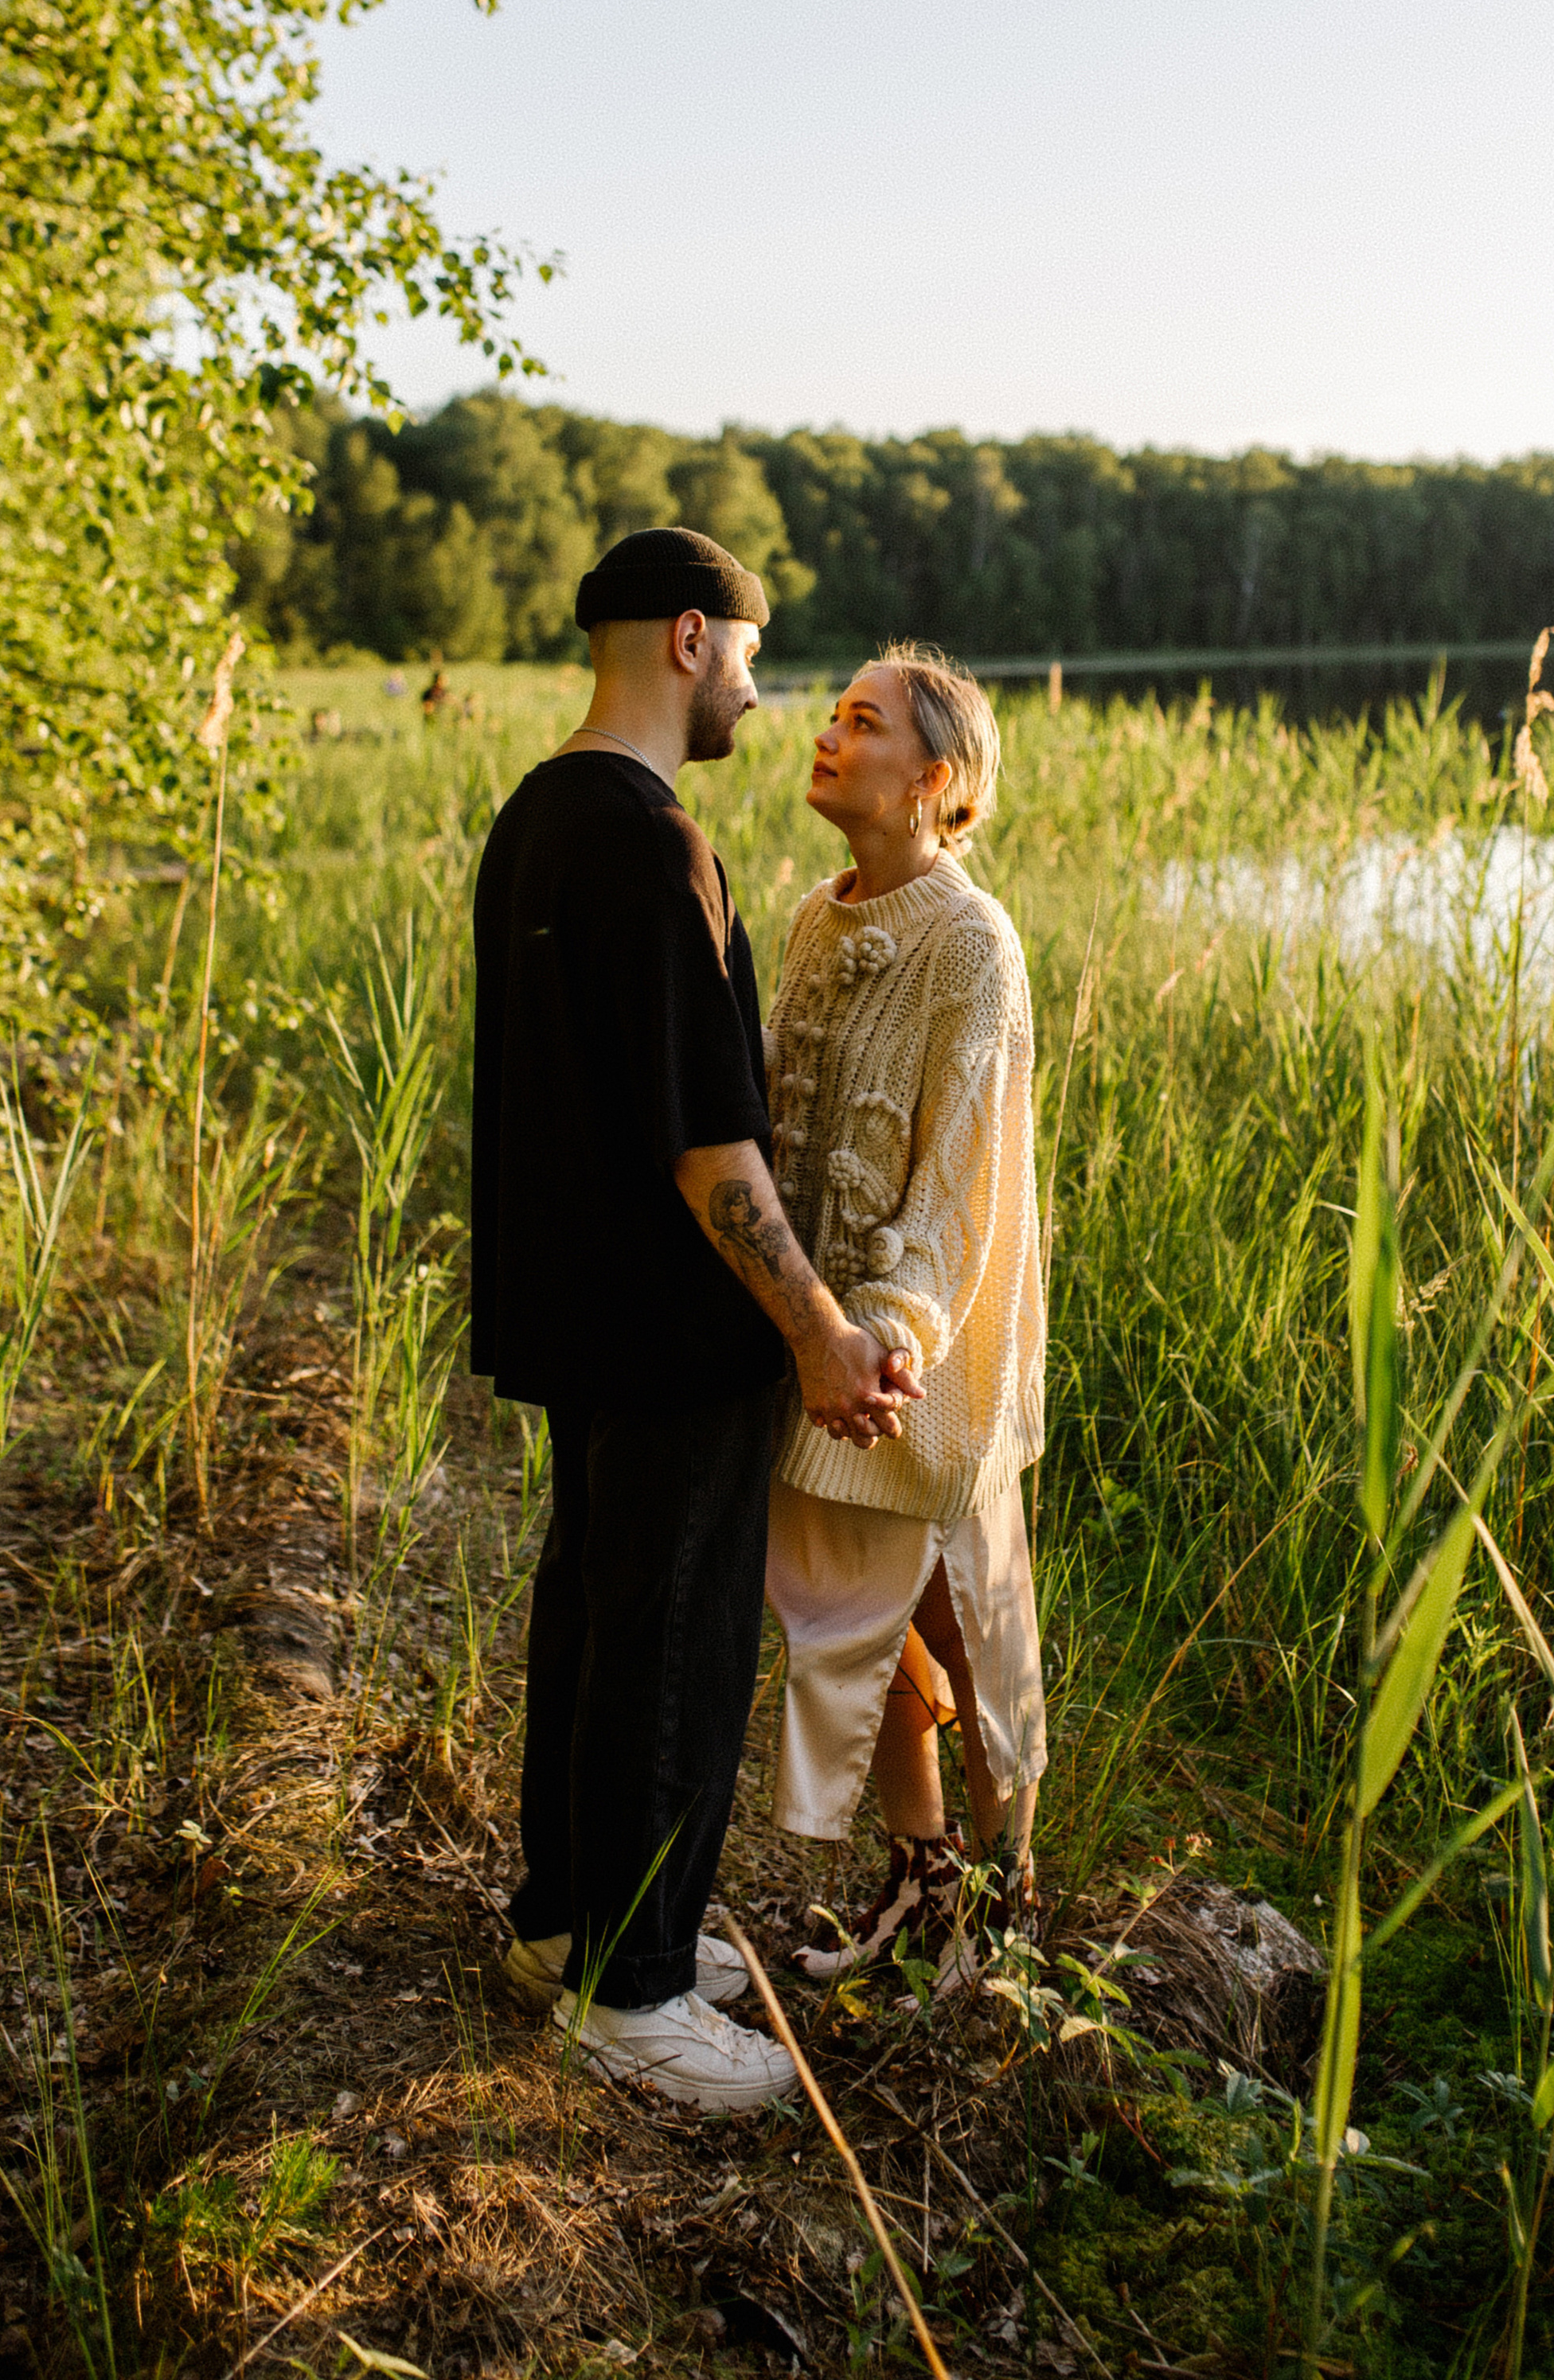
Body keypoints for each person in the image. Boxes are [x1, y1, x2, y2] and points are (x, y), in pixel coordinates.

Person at [470, 527, 922, 2112]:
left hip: (576, 1313)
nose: (755, 681)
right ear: (683, 638)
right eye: (746, 647)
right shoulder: (654, 848)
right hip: (668, 1330)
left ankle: (567, 1926)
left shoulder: (536, 819)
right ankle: (634, 1994)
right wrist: (812, 1327)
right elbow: (707, 1146)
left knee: (595, 1623)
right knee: (669, 1640)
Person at [763, 645, 1046, 1976]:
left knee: (959, 1617)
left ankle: (1008, 1911)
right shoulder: (818, 919)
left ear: (933, 779)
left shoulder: (973, 945)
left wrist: (887, 1337)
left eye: (862, 722)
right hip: (818, 1338)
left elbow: (961, 1184)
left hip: (917, 1349)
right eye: (830, 713)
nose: (828, 734)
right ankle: (923, 1880)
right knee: (850, 1610)